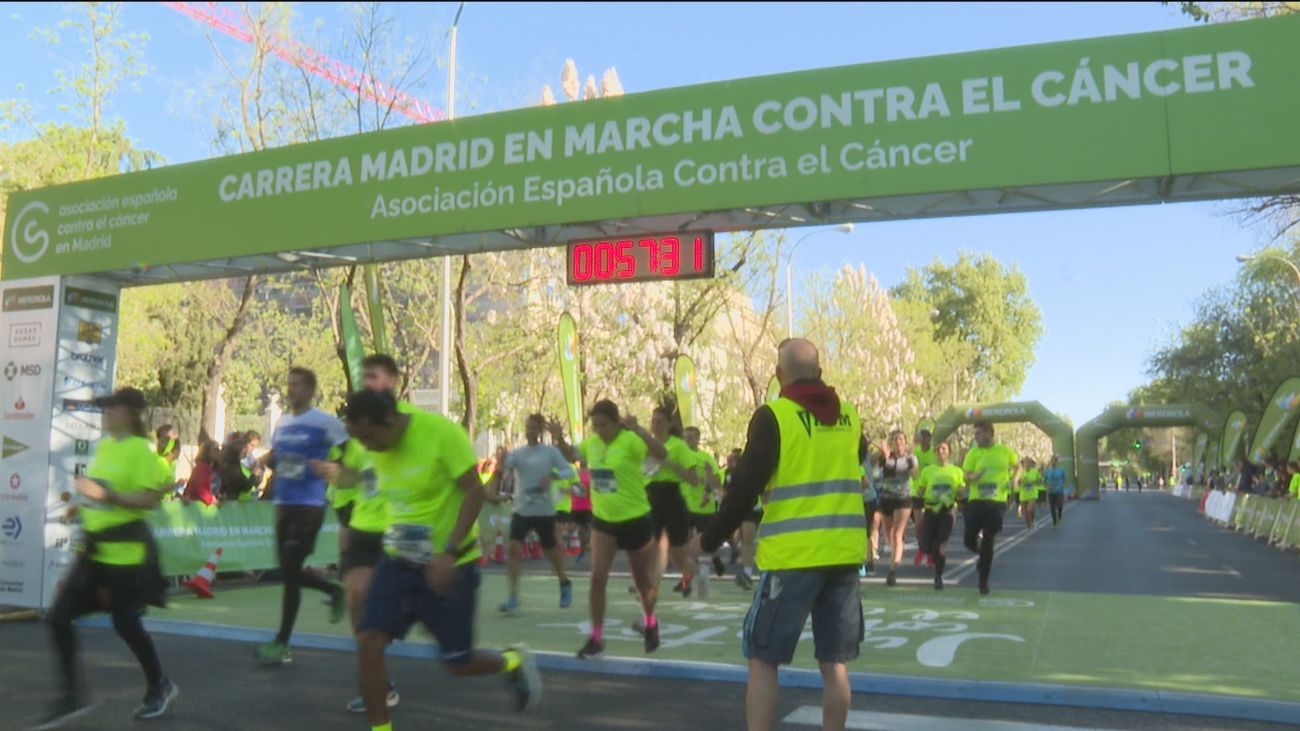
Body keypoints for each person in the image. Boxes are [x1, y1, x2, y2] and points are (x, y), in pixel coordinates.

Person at [342, 390, 541, 731]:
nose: (366, 446)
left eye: (370, 437)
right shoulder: (366, 443)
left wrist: (448, 552)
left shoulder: (441, 434)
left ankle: (512, 661)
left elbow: (474, 491)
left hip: (451, 563)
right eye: (359, 439)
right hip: (399, 560)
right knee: (368, 641)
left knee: (457, 663)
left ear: (389, 421)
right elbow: (355, 479)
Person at [701, 339, 868, 731]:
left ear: (779, 375)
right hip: (843, 554)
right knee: (834, 663)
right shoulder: (850, 416)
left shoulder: (774, 416)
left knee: (763, 658)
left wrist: (708, 540)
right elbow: (857, 457)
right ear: (821, 372)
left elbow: (743, 491)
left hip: (792, 556)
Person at [34, 388, 179, 729]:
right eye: (104, 408)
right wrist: (82, 506)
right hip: (94, 552)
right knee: (58, 617)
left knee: (125, 622)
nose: (105, 414)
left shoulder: (139, 451)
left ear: (130, 413)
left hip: (125, 557)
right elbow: (100, 494)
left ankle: (160, 685)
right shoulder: (106, 446)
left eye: (110, 408)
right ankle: (72, 697)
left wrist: (107, 495)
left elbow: (148, 500)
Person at [307, 354, 409, 715]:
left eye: (375, 376)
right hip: (363, 527)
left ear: (394, 380)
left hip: (403, 529)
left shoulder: (412, 423)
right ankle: (379, 683)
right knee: (356, 598)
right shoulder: (356, 432)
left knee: (416, 611)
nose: (368, 382)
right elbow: (354, 479)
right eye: (364, 376)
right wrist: (334, 475)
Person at [552, 400, 667, 658]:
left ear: (617, 422)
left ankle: (650, 621)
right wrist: (559, 437)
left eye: (604, 425)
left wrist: (639, 430)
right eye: (595, 426)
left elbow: (661, 454)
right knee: (597, 578)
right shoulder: (592, 444)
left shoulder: (630, 441)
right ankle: (596, 637)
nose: (599, 430)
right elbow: (570, 455)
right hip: (604, 521)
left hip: (635, 518)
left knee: (642, 581)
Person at [254, 367, 349, 665]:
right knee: (288, 570)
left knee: (292, 566)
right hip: (283, 503)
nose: (290, 389)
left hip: (310, 505)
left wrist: (335, 469)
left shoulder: (325, 422)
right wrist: (265, 462)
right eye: (289, 384)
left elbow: (350, 453)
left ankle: (282, 642)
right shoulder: (281, 423)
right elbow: (279, 458)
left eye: (296, 385)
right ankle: (333, 590)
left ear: (310, 390)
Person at [489, 414, 576, 613]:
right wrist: (501, 463)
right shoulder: (518, 453)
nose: (531, 431)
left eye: (535, 428)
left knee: (551, 551)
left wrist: (554, 475)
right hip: (522, 509)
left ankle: (564, 582)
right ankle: (512, 596)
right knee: (513, 548)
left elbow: (569, 472)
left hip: (544, 510)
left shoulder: (550, 452)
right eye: (528, 427)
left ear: (541, 431)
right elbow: (504, 467)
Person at [644, 406, 703, 599]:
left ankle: (701, 575)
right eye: (653, 421)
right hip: (651, 498)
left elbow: (693, 479)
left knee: (679, 557)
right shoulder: (646, 446)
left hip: (672, 500)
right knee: (651, 547)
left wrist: (666, 464)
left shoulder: (679, 446)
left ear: (669, 424)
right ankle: (649, 588)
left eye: (660, 421)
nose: (655, 425)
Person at [962, 422, 1021, 596]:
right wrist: (974, 476)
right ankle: (982, 555)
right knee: (968, 540)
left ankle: (983, 581)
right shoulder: (973, 453)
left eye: (979, 433)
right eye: (975, 434)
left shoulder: (1004, 451)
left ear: (989, 433)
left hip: (996, 501)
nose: (976, 437)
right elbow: (966, 475)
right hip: (976, 500)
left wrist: (1015, 480)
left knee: (989, 539)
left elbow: (1018, 465)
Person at [915, 441, 964, 591]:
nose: (940, 451)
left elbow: (961, 489)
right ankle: (929, 553)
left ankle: (938, 577)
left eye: (943, 449)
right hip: (931, 510)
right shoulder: (928, 471)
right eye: (938, 449)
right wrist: (917, 504)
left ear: (949, 452)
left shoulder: (956, 471)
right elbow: (920, 491)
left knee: (940, 546)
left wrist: (961, 491)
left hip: (947, 510)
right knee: (925, 545)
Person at [876, 429, 918, 587]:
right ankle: (895, 552)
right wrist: (885, 457)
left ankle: (893, 569)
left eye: (901, 439)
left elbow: (912, 472)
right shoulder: (884, 457)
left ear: (905, 443)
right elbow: (879, 473)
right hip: (887, 498)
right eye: (895, 439)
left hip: (903, 499)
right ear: (891, 443)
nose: (898, 442)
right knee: (888, 536)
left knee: (896, 534)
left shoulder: (910, 458)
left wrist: (890, 462)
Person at [682, 426, 718, 600]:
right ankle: (687, 580)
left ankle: (713, 560)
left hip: (704, 507)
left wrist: (707, 492)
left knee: (706, 542)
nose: (686, 441)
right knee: (685, 545)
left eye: (690, 437)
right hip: (686, 506)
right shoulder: (681, 457)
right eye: (684, 437)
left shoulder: (705, 458)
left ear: (697, 439)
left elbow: (713, 478)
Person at [910, 429, 936, 568]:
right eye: (922, 438)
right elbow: (913, 469)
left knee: (929, 525)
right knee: (919, 525)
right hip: (917, 492)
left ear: (929, 439)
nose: (924, 441)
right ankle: (922, 547)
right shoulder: (916, 452)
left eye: (926, 438)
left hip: (931, 493)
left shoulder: (934, 452)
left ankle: (929, 552)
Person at [182, 438, 221, 507]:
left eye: (218, 449)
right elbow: (201, 490)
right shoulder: (201, 468)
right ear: (207, 452)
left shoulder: (214, 469)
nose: (218, 451)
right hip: (194, 507)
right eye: (215, 449)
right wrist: (211, 500)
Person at [1043, 455, 1067, 527]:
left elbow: (1064, 479)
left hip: (1059, 490)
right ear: (1050, 462)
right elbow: (1044, 481)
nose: (1053, 462)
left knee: (1059, 504)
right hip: (1051, 491)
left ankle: (1059, 514)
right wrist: (1046, 487)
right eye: (1052, 461)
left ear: (1057, 462)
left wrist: (1062, 485)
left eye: (1055, 461)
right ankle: (1054, 521)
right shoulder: (1047, 471)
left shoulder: (1061, 470)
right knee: (1052, 506)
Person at [1018, 458, 1041, 530]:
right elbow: (1017, 482)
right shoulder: (1020, 473)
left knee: (1030, 509)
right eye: (1025, 463)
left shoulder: (1035, 472)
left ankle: (1032, 520)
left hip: (1033, 493)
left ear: (1031, 464)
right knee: (1025, 512)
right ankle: (1029, 524)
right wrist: (1021, 482)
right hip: (1023, 494)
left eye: (1029, 463)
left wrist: (1035, 481)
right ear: (1023, 464)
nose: (1027, 464)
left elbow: (1039, 481)